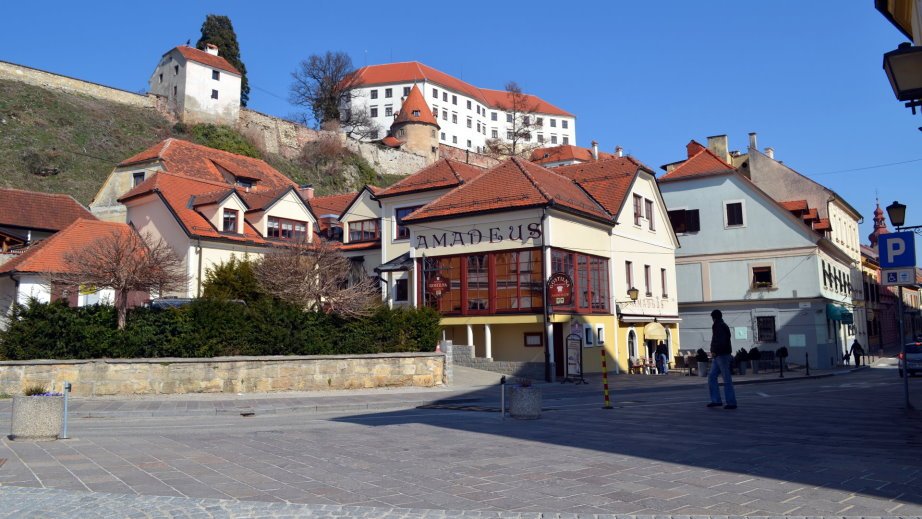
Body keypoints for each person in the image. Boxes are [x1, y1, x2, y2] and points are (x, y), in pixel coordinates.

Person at [707, 309, 737, 409]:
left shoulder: (719, 326)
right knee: (712, 376)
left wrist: (715, 350)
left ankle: (731, 402)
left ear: (714, 317)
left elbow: (720, 341)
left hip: (721, 355)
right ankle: (716, 400)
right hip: (719, 355)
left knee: (726, 379)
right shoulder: (721, 325)